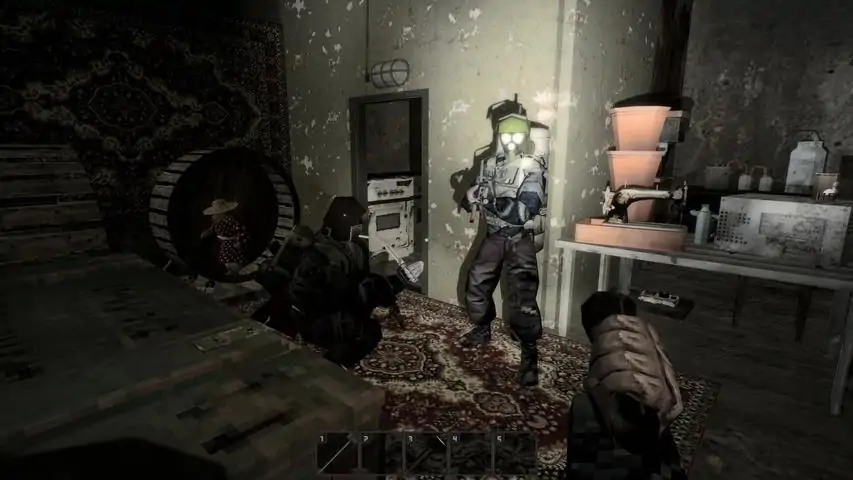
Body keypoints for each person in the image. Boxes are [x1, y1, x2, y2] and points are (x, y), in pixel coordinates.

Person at [255, 196, 418, 368]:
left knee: (361, 317)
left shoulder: (356, 248)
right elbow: (346, 294)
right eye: (356, 223)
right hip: (314, 316)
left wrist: (387, 296)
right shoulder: (319, 255)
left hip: (338, 306)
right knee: (369, 332)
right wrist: (391, 285)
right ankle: (333, 364)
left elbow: (362, 280)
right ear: (342, 223)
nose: (359, 227)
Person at [459, 111, 548, 387]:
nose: (511, 140)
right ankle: (483, 328)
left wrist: (490, 200)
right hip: (494, 235)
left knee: (522, 297)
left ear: (525, 136)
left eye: (517, 135)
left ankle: (529, 352)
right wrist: (469, 197)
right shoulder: (489, 163)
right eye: (506, 135)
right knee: (476, 284)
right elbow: (473, 197)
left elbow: (525, 209)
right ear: (499, 135)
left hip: (519, 238)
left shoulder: (533, 167)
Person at [566, 291, 686, 479]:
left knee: (583, 407)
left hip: (617, 460)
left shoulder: (600, 359)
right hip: (657, 444)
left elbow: (598, 392)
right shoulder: (651, 343)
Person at [200, 199, 249, 276]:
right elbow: (212, 228)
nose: (214, 215)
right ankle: (227, 270)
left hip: (230, 243)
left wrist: (239, 241)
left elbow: (240, 231)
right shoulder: (216, 220)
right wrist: (208, 232)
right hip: (220, 243)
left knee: (229, 257)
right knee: (220, 257)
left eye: (216, 213)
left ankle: (235, 271)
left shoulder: (230, 220)